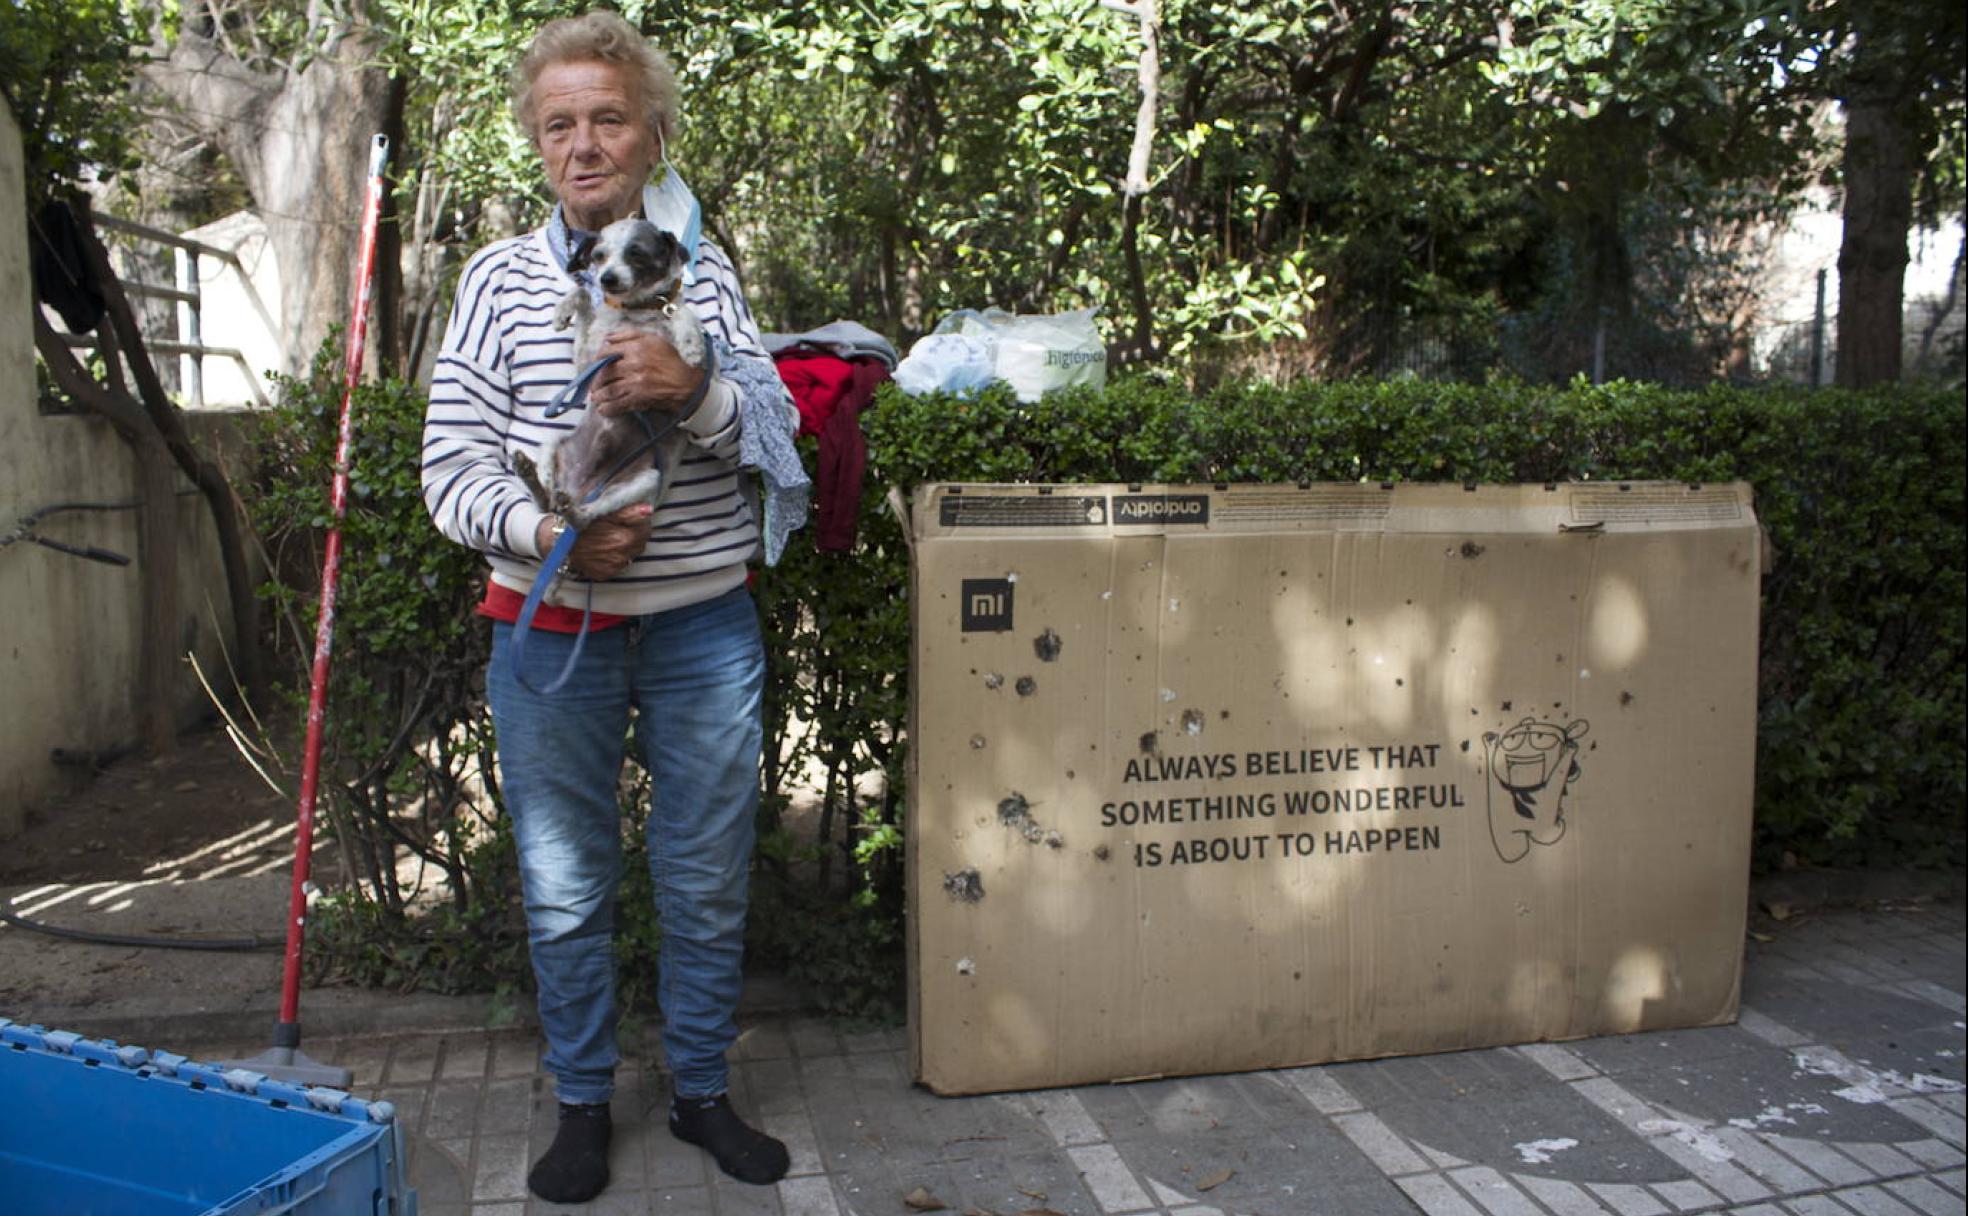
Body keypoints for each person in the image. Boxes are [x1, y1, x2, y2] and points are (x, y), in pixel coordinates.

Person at [421, 9, 806, 1204]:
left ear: (650, 137)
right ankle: (582, 1103)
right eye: (559, 124)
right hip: (550, 621)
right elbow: (448, 468)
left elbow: (775, 435)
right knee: (566, 879)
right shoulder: (496, 280)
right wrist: (552, 538)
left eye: (607, 119)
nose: (583, 144)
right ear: (538, 145)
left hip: (700, 621)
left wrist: (692, 392)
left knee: (702, 869)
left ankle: (699, 1093)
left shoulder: (706, 273)